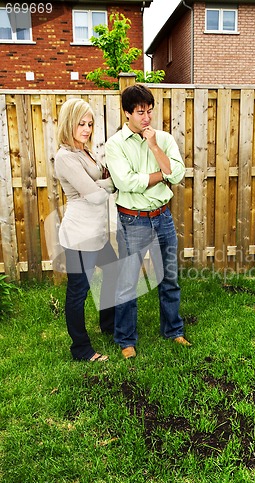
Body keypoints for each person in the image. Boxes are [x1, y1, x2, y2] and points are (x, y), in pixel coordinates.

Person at [105, 83, 191, 359]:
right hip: (133, 220)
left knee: (169, 277)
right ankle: (126, 340)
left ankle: (174, 331)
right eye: (140, 112)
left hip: (162, 216)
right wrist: (160, 175)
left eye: (150, 111)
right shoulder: (115, 144)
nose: (146, 117)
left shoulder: (162, 139)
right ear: (127, 113)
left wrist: (154, 147)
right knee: (129, 281)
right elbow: (126, 182)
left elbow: (177, 175)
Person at [55, 98, 117, 362]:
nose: (87, 129)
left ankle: (109, 325)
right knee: (78, 291)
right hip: (80, 235)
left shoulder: (85, 152)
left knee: (114, 271)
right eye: (81, 123)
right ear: (69, 123)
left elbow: (97, 184)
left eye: (90, 124)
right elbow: (93, 195)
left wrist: (102, 184)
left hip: (98, 231)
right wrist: (110, 185)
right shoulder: (65, 157)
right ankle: (81, 349)